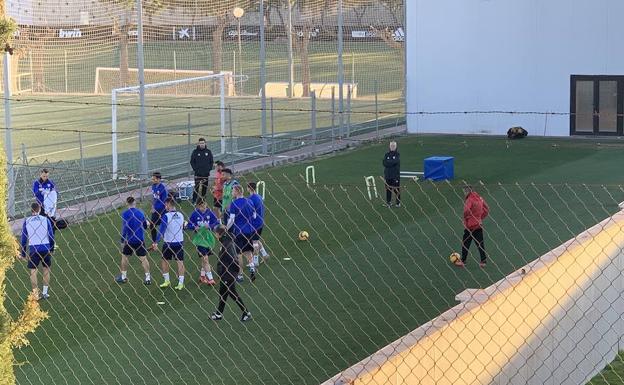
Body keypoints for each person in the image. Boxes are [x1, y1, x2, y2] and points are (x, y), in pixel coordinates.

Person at [210, 225, 251, 322]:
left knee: (232, 293)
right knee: (223, 293)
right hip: (225, 273)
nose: (214, 235)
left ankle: (246, 312)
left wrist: (232, 272)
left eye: (215, 233)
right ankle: (219, 314)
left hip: (228, 274)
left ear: (219, 234)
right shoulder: (226, 241)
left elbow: (233, 259)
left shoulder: (226, 244)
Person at [20, 202, 55, 300]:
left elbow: (23, 238)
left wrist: (23, 253)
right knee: (46, 269)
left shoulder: (27, 221)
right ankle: (45, 293)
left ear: (31, 210)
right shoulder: (45, 220)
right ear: (39, 210)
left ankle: (35, 294)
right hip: (45, 247)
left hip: (33, 249)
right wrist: (51, 248)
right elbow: (51, 235)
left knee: (33, 272)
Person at [116, 197, 152, 285]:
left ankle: (124, 277)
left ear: (127, 203)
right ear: (134, 202)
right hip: (140, 239)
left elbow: (124, 228)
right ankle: (148, 278)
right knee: (143, 258)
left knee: (124, 257)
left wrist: (122, 240)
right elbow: (144, 226)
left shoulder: (125, 214)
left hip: (129, 240)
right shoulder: (140, 212)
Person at [152, 198, 186, 290]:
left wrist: (156, 242)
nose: (165, 206)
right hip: (179, 242)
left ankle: (167, 281)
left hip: (168, 243)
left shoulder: (166, 216)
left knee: (165, 260)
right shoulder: (181, 215)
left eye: (165, 204)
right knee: (180, 262)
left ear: (168, 204)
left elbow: (162, 230)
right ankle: (181, 283)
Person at [186, 199, 220, 285]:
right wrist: (194, 227)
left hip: (208, 239)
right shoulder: (194, 214)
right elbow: (188, 225)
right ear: (197, 206)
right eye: (201, 206)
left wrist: (210, 226)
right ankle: (211, 279)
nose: (203, 207)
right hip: (199, 240)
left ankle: (202, 276)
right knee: (205, 258)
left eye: (204, 205)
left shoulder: (210, 212)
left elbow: (216, 222)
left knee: (204, 259)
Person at [226, 185, 256, 282]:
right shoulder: (250, 201)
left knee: (238, 254)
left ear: (237, 192)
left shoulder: (234, 204)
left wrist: (226, 228)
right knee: (248, 251)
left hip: (239, 231)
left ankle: (240, 275)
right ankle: (252, 267)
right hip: (249, 231)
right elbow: (254, 215)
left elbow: (231, 219)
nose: (231, 193)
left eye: (233, 191)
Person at [455, 185, 489, 268]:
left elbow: (466, 210)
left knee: (466, 243)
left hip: (470, 226)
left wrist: (466, 218)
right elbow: (487, 209)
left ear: (467, 191)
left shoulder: (469, 199)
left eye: (465, 191)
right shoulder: (480, 198)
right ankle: (483, 261)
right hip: (478, 225)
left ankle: (463, 261)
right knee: (480, 243)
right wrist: (480, 217)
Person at [247, 182, 269, 266]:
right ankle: (264, 254)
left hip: (254, 224)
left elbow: (251, 213)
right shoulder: (259, 196)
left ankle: (255, 261)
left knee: (254, 242)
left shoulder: (250, 199)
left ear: (249, 188)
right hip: (260, 222)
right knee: (256, 239)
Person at [190, 138, 213, 204]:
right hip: (198, 174)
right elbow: (192, 161)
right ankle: (194, 200)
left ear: (205, 143)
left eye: (203, 143)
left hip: (205, 174)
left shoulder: (208, 152)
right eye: (200, 143)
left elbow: (211, 161)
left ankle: (203, 200)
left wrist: (209, 169)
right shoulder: (195, 152)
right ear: (198, 144)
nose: (202, 144)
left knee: (204, 188)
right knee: (196, 187)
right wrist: (195, 169)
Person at [150, 172, 168, 244]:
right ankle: (154, 242)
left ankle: (167, 239)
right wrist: (152, 206)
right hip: (155, 210)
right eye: (152, 179)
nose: (153, 180)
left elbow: (164, 201)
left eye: (154, 179)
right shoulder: (153, 186)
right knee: (152, 225)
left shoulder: (163, 188)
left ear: (158, 179)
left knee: (164, 226)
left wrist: (156, 208)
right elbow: (154, 198)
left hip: (162, 210)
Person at [383, 141, 401, 207]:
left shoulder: (397, 154)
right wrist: (391, 163)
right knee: (388, 189)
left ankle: (398, 203)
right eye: (391, 146)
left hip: (395, 176)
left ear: (396, 147)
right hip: (387, 175)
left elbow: (394, 162)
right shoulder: (386, 154)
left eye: (393, 146)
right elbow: (384, 163)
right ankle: (388, 202)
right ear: (389, 146)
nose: (392, 147)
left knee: (396, 189)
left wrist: (389, 162)